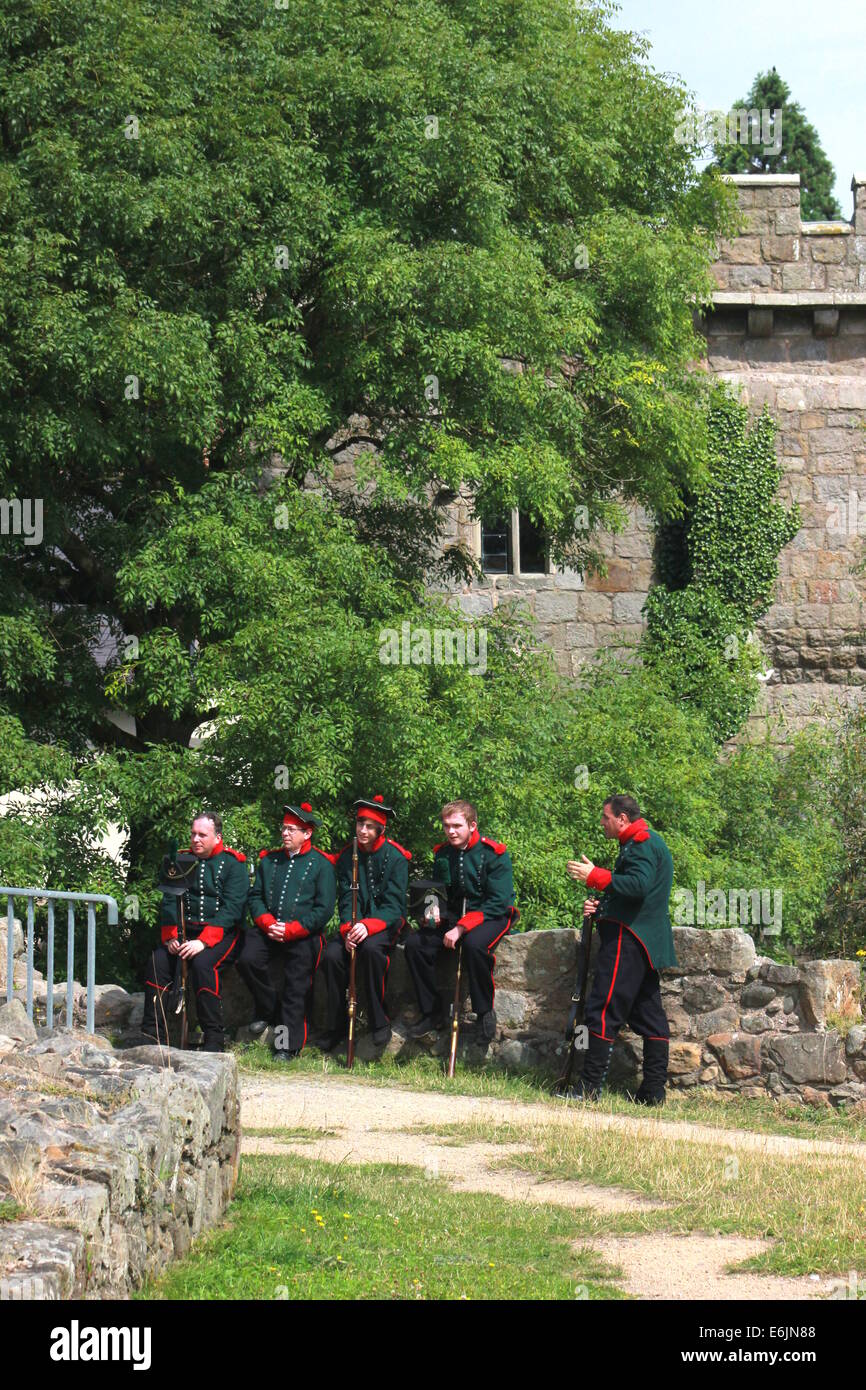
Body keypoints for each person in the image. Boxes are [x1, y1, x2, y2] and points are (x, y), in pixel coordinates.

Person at [566, 794, 677, 1104]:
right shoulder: (642, 841)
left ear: (622, 819)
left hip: (628, 940)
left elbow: (639, 885)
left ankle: (588, 1090)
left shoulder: (641, 843)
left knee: (602, 1010)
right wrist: (602, 907)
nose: (602, 822)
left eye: (605, 817)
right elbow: (635, 895)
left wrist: (596, 877)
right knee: (649, 1016)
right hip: (641, 939)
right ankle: (652, 1094)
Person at [404, 799, 516, 1042]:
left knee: (475, 946)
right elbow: (438, 892)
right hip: (454, 915)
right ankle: (432, 1013)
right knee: (415, 945)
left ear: (472, 825)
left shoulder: (494, 854)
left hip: (491, 914)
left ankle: (484, 1012)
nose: (451, 831)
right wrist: (431, 912)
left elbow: (498, 900)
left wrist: (461, 928)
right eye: (447, 826)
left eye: (457, 825)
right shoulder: (443, 854)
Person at [236, 802, 336, 1060]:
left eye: (292, 829)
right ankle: (267, 1007)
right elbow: (255, 897)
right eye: (284, 828)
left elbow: (324, 909)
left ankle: (286, 1045)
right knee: (247, 958)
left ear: (307, 833)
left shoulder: (322, 865)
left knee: (296, 982)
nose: (285, 833)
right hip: (269, 930)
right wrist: (268, 923)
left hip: (304, 934)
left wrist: (293, 930)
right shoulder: (269, 861)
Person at [142, 812, 249, 1052]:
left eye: (202, 835)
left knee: (203, 965)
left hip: (223, 932)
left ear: (218, 837)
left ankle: (213, 1039)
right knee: (158, 961)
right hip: (183, 930)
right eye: (193, 834)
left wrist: (203, 942)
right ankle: (152, 1034)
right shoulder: (180, 860)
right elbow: (170, 899)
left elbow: (232, 909)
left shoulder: (234, 865)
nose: (196, 839)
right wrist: (171, 936)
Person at [316, 795, 411, 1052]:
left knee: (370, 951)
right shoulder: (349, 855)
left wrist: (368, 926)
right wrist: (348, 929)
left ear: (381, 828)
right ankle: (335, 1026)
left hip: (385, 924)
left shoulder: (397, 857)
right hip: (354, 926)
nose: (363, 830)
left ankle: (379, 1020)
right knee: (332, 955)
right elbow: (347, 897)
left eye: (369, 826)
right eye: (360, 824)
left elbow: (393, 906)